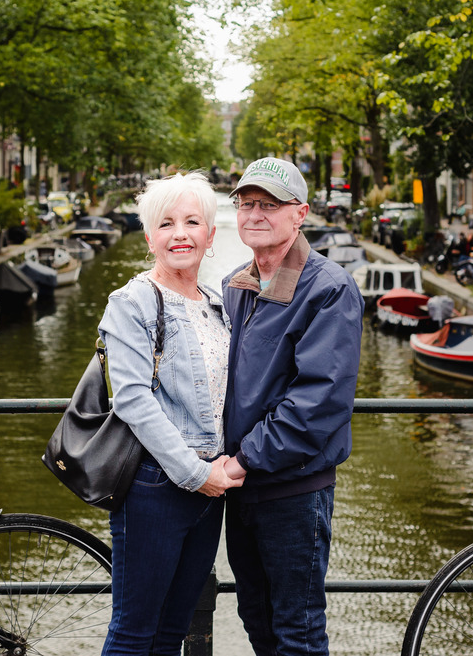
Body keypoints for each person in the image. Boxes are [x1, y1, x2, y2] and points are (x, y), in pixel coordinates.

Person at [220, 157, 364, 656]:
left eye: (270, 205)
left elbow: (316, 404)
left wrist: (241, 459)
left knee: (297, 633)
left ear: (300, 214)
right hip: (241, 489)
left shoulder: (329, 289)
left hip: (292, 491)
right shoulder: (237, 285)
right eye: (246, 203)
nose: (255, 214)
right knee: (256, 620)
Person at [99, 171, 243, 656]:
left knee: (174, 630)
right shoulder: (132, 302)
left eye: (191, 222)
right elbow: (132, 400)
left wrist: (219, 470)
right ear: (149, 237)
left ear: (210, 234)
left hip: (211, 489)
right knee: (133, 632)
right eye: (166, 224)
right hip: (156, 486)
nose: (179, 233)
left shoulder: (221, 304)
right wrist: (192, 472)